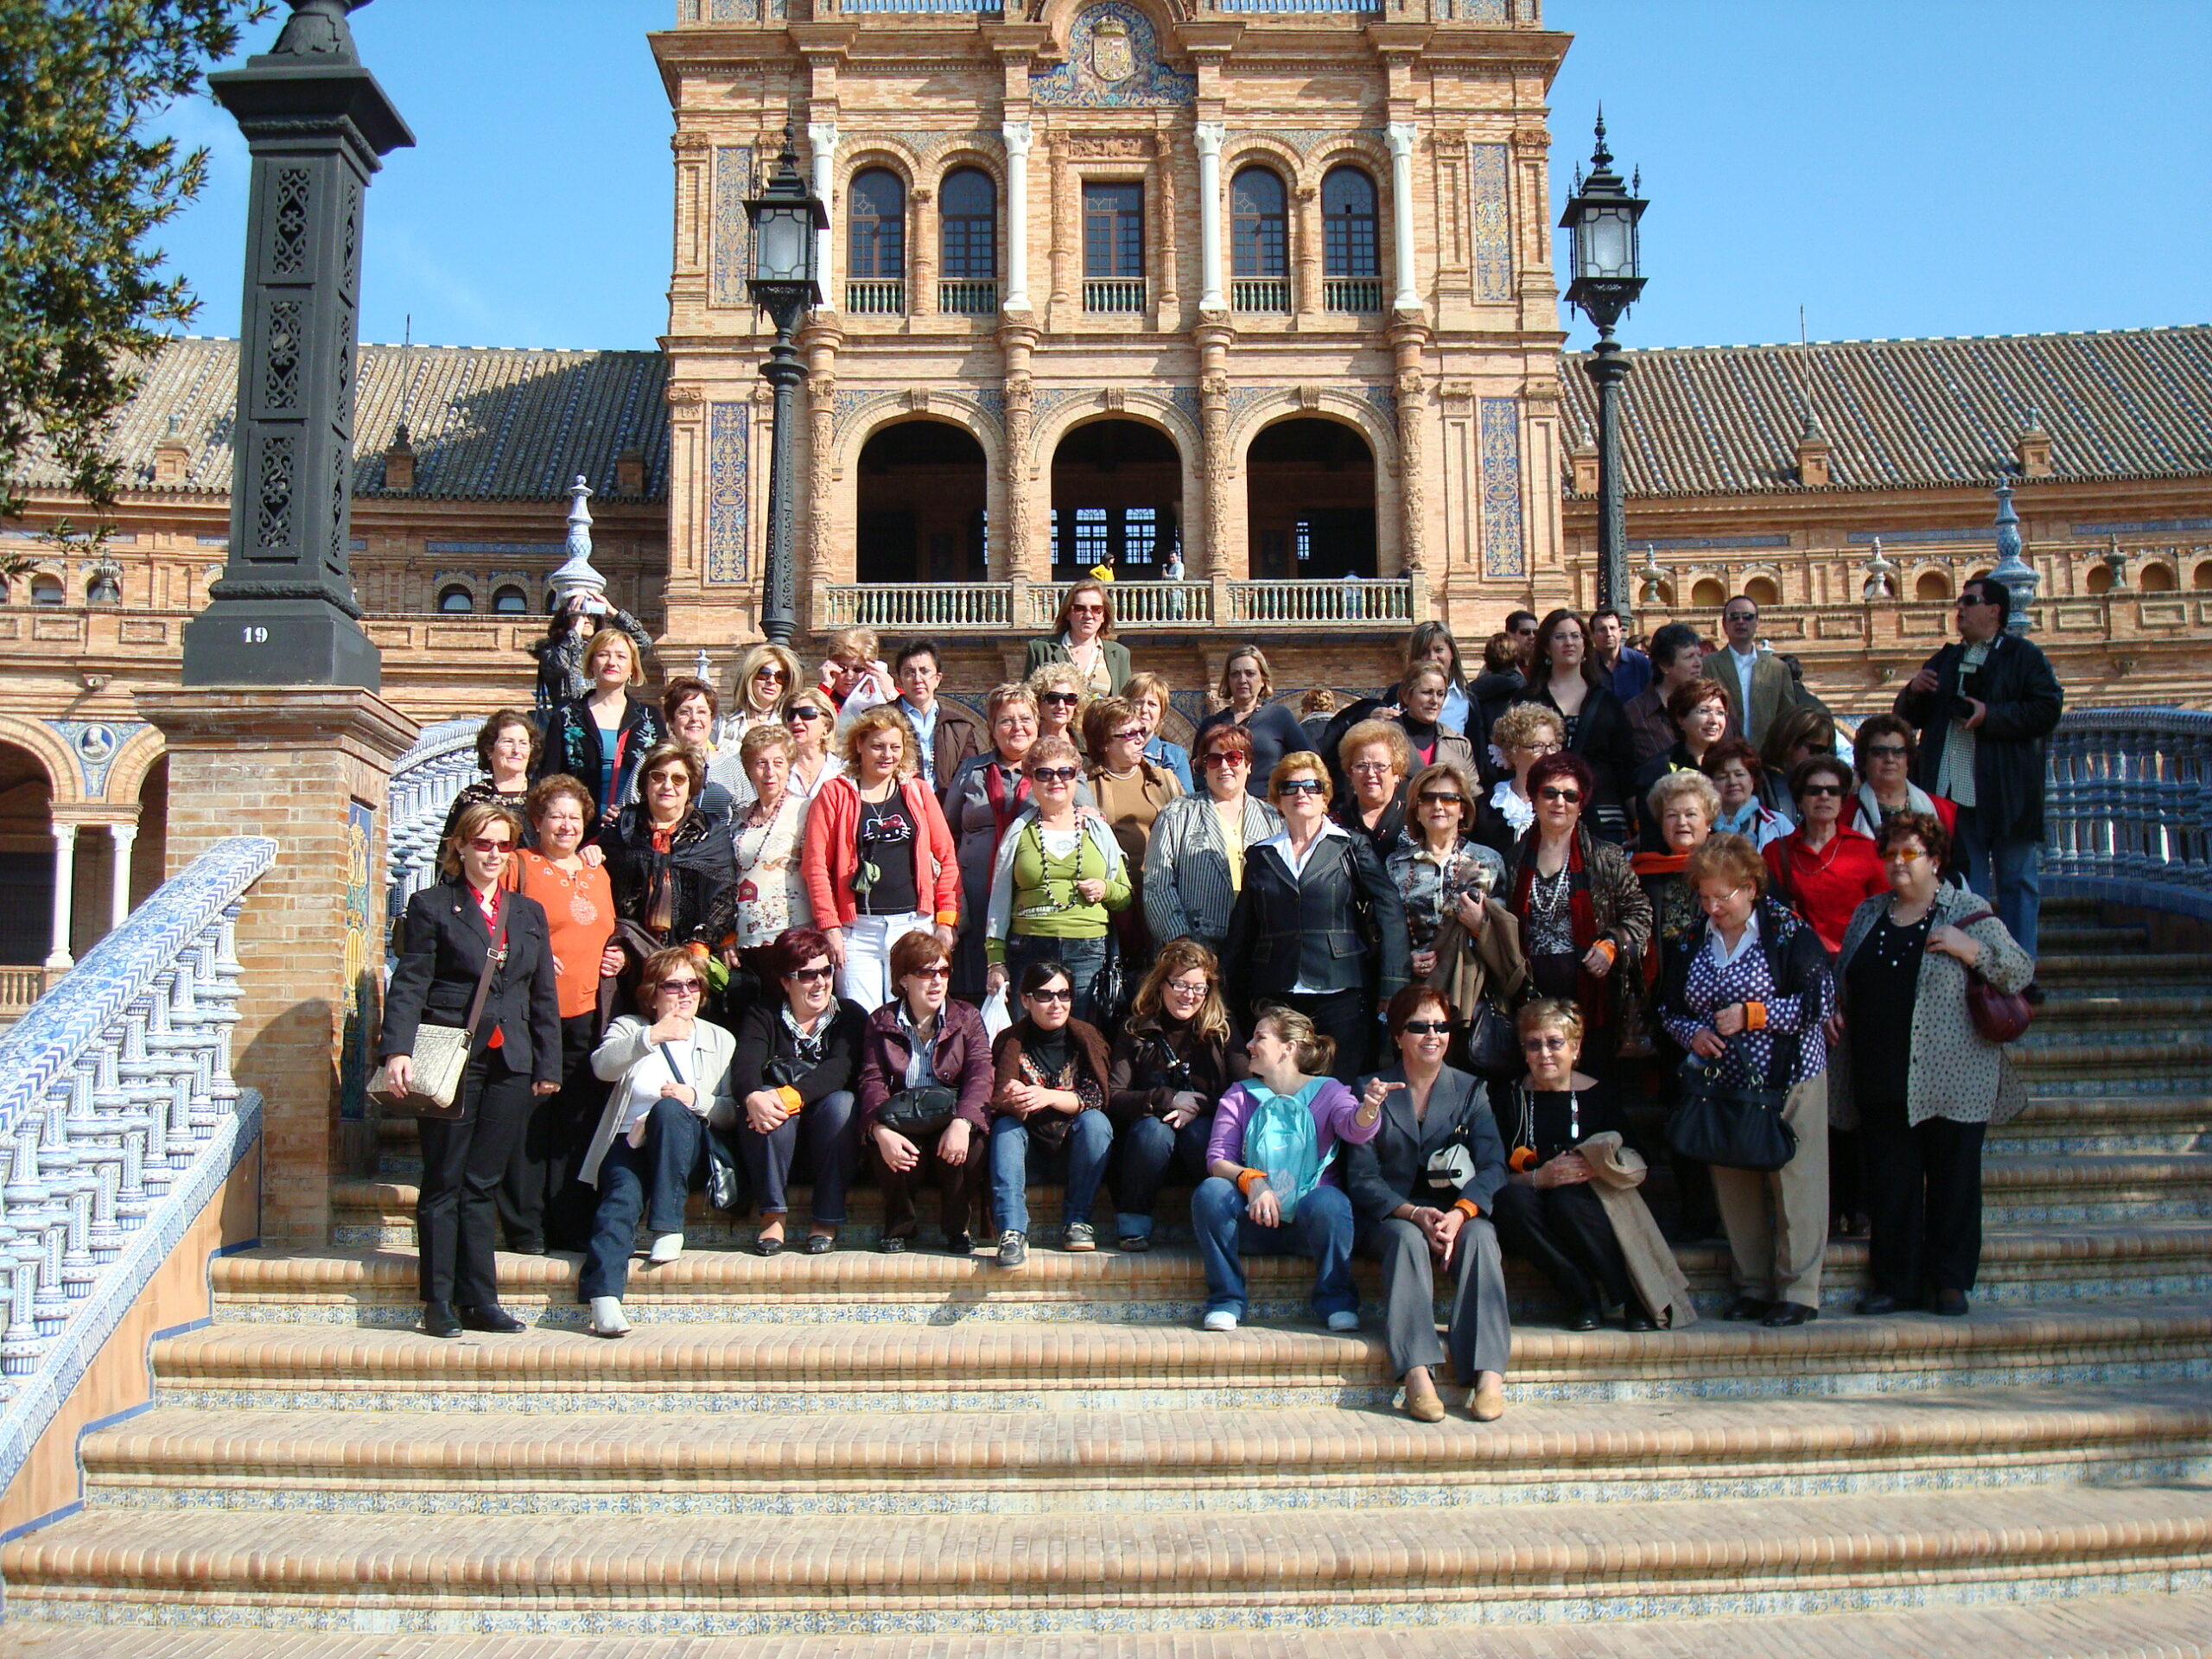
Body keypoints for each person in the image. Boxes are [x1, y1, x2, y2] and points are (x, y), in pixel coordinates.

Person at [1831, 812, 2034, 1318]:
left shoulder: (1967, 909)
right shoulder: (1869, 913)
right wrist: (1834, 1008)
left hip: (1954, 1074)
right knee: (1891, 1184)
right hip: (1880, 1071)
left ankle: (1949, 1281)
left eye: (1910, 854)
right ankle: (1895, 1282)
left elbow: (2019, 971)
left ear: (1936, 860)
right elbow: (1843, 977)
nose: (1898, 863)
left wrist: (1973, 951)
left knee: (1954, 1180)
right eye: (1890, 854)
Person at [376, 802, 561, 1340]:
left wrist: (547, 1062)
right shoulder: (432, 905)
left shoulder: (527, 912)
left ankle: (480, 1299)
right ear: (460, 846)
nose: (493, 854)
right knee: (444, 1181)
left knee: (482, 1183)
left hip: (510, 1060)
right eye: (483, 843)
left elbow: (541, 993)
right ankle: (438, 1300)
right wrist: (396, 1050)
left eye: (504, 845)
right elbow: (412, 982)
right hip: (451, 1058)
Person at [1660, 834, 1836, 1329]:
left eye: (1723, 897)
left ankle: (1798, 1291)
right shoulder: (1693, 938)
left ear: (1751, 888)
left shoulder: (1788, 932)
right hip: (1723, 1086)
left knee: (1797, 1185)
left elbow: (1819, 1003)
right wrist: (1693, 1034)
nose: (1713, 908)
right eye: (1705, 897)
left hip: (1790, 1079)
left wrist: (1753, 1015)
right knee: (1735, 1186)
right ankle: (1753, 1287)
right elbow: (1668, 1008)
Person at [1342, 985, 1511, 1422]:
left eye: (1441, 1026)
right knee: (1407, 1240)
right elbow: (1362, 1177)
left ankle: (1489, 1375)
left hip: (1454, 1209)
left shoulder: (1471, 1090)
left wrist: (1459, 1213)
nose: (1433, 1035)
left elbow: (1494, 1166)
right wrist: (1414, 1213)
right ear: (1398, 1035)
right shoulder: (1369, 1089)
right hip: (1394, 1213)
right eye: (1420, 1026)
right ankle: (1417, 1373)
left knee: (1481, 1237)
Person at [1892, 575, 2063, 963]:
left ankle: (2020, 969)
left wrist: (1990, 715)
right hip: (1952, 795)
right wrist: (1913, 690)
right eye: (1960, 601)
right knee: (1966, 887)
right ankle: (1974, 967)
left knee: (2017, 880)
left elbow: (2047, 708)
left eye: (1970, 601)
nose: (1961, 609)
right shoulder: (1947, 658)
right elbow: (1906, 718)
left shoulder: (2023, 656)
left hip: (2005, 792)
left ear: (1994, 611)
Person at [1492, 998, 1687, 1332]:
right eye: (1534, 1044)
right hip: (1529, 1201)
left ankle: (1629, 1296)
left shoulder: (1597, 1095)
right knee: (1512, 1202)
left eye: (1555, 1043)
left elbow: (1636, 1154)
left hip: (1585, 1204)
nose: (1544, 1053)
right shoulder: (1507, 1098)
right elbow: (1491, 1170)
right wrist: (1540, 1178)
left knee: (1568, 1202)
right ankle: (1580, 1293)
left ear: (1575, 1048)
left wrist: (1599, 1167)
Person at [575, 947, 737, 1337]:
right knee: (619, 1202)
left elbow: (732, 1112)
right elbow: (602, 1067)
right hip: (629, 1141)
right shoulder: (630, 1027)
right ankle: (604, 1299)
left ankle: (667, 1226)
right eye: (673, 985)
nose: (685, 993)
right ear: (652, 993)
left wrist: (695, 1099)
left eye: (693, 984)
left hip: (686, 1149)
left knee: (668, 1109)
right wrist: (652, 1036)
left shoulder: (719, 1039)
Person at [1192, 1004, 1382, 1332]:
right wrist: (1253, 1182)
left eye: (1260, 1037)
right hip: (1253, 1223)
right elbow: (1218, 1158)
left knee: (1330, 1201)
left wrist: (1370, 1108)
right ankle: (1226, 1300)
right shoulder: (1240, 1095)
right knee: (1212, 1192)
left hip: (1309, 1228)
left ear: (1288, 1048)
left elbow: (1355, 1128)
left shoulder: (1328, 1091)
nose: (1249, 1045)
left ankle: (1336, 1299)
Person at [1224, 752, 1410, 1081]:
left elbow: (1389, 909)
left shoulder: (1351, 846)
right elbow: (1244, 928)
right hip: (1277, 992)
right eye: (1289, 787)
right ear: (1277, 798)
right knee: (1281, 1085)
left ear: (1325, 796)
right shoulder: (1261, 855)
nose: (1301, 793)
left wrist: (1392, 983)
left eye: (1311, 786)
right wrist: (1222, 987)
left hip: (1341, 992)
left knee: (1339, 1088)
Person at [499, 775, 622, 1255]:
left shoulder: (597, 871)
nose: (566, 825)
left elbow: (608, 930)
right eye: (556, 816)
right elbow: (496, 924)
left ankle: (569, 1223)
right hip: (533, 1015)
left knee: (577, 1124)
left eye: (574, 817)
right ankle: (525, 1227)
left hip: (588, 1013)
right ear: (537, 821)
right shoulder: (519, 865)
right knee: (531, 1122)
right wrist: (526, 953)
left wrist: (617, 956)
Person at [801, 706, 961, 1013]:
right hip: (858, 931)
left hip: (913, 925)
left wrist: (946, 920)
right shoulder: (834, 793)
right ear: (859, 745)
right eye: (877, 746)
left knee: (916, 1015)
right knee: (863, 1018)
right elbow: (815, 865)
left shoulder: (917, 792)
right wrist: (830, 926)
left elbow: (947, 858)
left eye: (895, 747)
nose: (887, 755)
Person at [1502, 751, 1651, 1075]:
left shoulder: (1606, 857)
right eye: (1550, 793)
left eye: (1570, 796)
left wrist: (1611, 944)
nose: (1560, 802)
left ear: (1581, 804)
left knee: (1593, 1079)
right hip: (1530, 994)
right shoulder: (1513, 860)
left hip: (1592, 994)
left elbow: (1640, 912)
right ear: (1534, 798)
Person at [728, 925, 866, 1255]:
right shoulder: (763, 1014)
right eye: (807, 975)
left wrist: (787, 1097)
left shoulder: (850, 1016)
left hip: (831, 1142)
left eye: (826, 971)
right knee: (761, 1100)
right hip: (776, 1141)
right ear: (785, 981)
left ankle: (826, 1218)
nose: (820, 982)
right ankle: (773, 1215)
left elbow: (838, 1070)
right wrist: (754, 1097)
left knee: (843, 1104)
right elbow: (745, 1065)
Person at [858, 928, 994, 1255]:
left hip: (949, 1113)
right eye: (925, 973)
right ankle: (899, 1225)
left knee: (972, 1144)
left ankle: (958, 1227)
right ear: (903, 979)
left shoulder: (967, 1017)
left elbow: (981, 1074)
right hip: (903, 1117)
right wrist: (879, 1130)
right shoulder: (881, 1020)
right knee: (890, 1148)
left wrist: (963, 1121)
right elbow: (871, 1080)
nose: (936, 982)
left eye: (943, 972)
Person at [1107, 940, 1249, 1250]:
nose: (1189, 995)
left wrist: (1200, 1105)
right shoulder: (1135, 1030)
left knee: (1201, 1132)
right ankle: (1133, 1224)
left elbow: (1245, 1092)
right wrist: (1167, 1099)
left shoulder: (1222, 1030)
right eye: (1181, 985)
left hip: (1202, 1143)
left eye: (1199, 988)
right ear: (1161, 985)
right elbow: (1114, 1096)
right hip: (1147, 1152)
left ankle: (1218, 1220)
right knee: (1152, 1131)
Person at [1631, 770, 1724, 1243]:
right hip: (1671, 1016)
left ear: (1709, 820)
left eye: (1691, 814)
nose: (1682, 823)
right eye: (1672, 816)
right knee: (1682, 1114)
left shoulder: (1730, 871)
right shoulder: (1646, 873)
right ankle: (1697, 1215)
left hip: (1727, 1016)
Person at [946, 683, 1081, 1000]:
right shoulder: (971, 770)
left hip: (1033, 900)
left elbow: (1086, 816)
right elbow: (947, 831)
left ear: (1037, 723)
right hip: (976, 898)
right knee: (976, 987)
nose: (1017, 727)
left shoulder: (1059, 770)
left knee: (1031, 986)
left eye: (1025, 719)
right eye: (1006, 720)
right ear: (992, 728)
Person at [984, 735, 1131, 1024]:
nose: (1056, 780)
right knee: (1029, 1035)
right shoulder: (1019, 831)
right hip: (1029, 946)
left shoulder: (1098, 830)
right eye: (1044, 773)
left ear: (1077, 777)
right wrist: (995, 961)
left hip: (1087, 948)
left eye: (1065, 772)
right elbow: (999, 901)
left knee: (1085, 1034)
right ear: (1031, 780)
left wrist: (1105, 888)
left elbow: (1125, 896)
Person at [988, 958, 1115, 1267]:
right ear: (1025, 1000)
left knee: (1096, 1122)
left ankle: (1078, 1220)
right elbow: (996, 1099)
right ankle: (1012, 1231)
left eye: (1064, 994)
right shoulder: (1009, 1041)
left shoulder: (1087, 1038)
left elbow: (1097, 1097)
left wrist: (1048, 1096)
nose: (1056, 1004)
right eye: (1045, 995)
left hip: (1074, 1152)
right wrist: (1013, 1099)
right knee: (1005, 1128)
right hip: (1027, 1150)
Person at [601, 741, 738, 980]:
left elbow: (724, 894)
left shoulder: (710, 832)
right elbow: (604, 892)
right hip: (629, 957)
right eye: (658, 777)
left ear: (691, 786)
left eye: (678, 779)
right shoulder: (622, 828)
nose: (667, 786)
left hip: (691, 958)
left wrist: (701, 944)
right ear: (645, 783)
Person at [1142, 723, 1282, 956]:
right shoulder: (1177, 813)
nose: (1224, 766)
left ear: (1248, 765)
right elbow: (1157, 883)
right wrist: (1181, 943)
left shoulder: (1272, 819)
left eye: (1234, 757)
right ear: (1204, 768)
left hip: (1258, 948)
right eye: (1214, 760)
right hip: (1196, 950)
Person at [1512, 609, 1637, 842]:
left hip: (1604, 812)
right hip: (1547, 810)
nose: (1569, 642)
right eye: (1560, 637)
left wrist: (1638, 822)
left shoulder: (1606, 701)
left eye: (1575, 636)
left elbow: (1625, 766)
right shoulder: (1528, 699)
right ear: (1547, 647)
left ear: (1584, 645)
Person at [1084, 695, 1182, 967]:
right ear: (1104, 743)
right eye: (1129, 734)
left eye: (1141, 731)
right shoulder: (1086, 786)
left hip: (1161, 893)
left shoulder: (1163, 779)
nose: (1140, 739)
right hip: (1115, 899)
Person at [537, 628, 664, 835]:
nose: (611, 662)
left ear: (632, 668)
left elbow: (662, 774)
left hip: (636, 829)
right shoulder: (566, 717)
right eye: (603, 654)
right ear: (591, 664)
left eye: (621, 656)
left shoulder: (649, 717)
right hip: (578, 829)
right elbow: (549, 781)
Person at [1389, 761, 1506, 988]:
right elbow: (1387, 931)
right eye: (1427, 799)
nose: (1438, 806)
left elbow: (1506, 931)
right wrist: (1407, 959)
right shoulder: (1396, 865)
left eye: (1449, 799)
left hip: (1473, 987)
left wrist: (1480, 925)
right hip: (1416, 990)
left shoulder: (1488, 861)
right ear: (1416, 810)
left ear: (1462, 809)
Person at [1765, 754, 1886, 957]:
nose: (1824, 796)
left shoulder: (1868, 851)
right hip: (1800, 961)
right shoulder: (1775, 853)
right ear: (1799, 800)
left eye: (1833, 791)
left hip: (1855, 961)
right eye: (1814, 791)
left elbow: (1883, 914)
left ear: (1842, 801)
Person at [727, 724, 812, 955]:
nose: (770, 772)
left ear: (789, 766)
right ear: (749, 769)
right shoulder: (737, 817)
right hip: (746, 937)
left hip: (794, 936)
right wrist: (726, 935)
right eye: (761, 763)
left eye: (778, 762)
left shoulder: (806, 810)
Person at [1193, 645, 1306, 798]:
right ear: (1228, 681)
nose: (1242, 680)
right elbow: (1198, 770)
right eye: (1235, 674)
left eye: (1250, 673)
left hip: (1270, 805)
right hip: (1221, 805)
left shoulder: (1280, 717)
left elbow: (1306, 763)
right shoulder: (1212, 724)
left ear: (1263, 680)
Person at [1628, 676, 1732, 838]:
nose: (1713, 720)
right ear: (1681, 719)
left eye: (1720, 713)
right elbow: (1652, 832)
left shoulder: (1733, 764)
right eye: (1704, 711)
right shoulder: (1659, 769)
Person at [889, 638, 985, 798]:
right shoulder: (882, 720)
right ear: (900, 680)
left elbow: (970, 777)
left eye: (924, 671)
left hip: (944, 808)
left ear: (937, 679)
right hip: (898, 805)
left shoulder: (959, 727)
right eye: (909, 673)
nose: (918, 679)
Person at [1701, 595, 1798, 747]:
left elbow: (1787, 717)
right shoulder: (1708, 665)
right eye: (1734, 617)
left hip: (1765, 755)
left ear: (1757, 623)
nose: (1741, 621)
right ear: (1724, 624)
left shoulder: (1778, 669)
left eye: (1747, 617)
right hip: (1721, 752)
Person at [709, 641, 803, 798]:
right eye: (764, 674)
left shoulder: (790, 725)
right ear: (750, 676)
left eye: (780, 677)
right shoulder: (722, 725)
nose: (771, 681)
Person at [1471, 702, 1563, 861]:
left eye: (1553, 745)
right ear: (1513, 752)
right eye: (1538, 746)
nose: (1549, 753)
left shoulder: (1569, 799)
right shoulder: (1486, 806)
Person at [1847, 712, 1959, 841]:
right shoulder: (1845, 813)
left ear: (1908, 759)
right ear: (1863, 759)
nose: (1889, 759)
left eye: (1898, 752)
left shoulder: (1946, 812)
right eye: (1879, 752)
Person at [529, 594, 652, 713]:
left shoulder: (601, 650)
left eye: (591, 616)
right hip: (568, 717)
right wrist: (575, 630)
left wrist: (612, 612)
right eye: (580, 616)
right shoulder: (551, 650)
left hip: (602, 713)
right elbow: (561, 665)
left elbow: (643, 642)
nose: (586, 621)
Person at [440, 710, 538, 849]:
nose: (517, 750)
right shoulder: (472, 798)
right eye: (508, 742)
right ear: (489, 749)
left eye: (523, 743)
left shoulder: (543, 795)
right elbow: (449, 852)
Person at [1024, 578, 1132, 696]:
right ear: (1067, 613)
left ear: (1104, 616)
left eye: (1096, 609)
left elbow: (1125, 701)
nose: (1088, 615)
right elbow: (1028, 699)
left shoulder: (1119, 654)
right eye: (1079, 609)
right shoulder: (1041, 649)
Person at [1624, 621, 1707, 766]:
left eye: (1699, 656)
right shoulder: (1634, 713)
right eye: (1689, 657)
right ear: (1664, 665)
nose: (1698, 663)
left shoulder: (1715, 705)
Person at [661, 676, 735, 826]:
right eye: (685, 712)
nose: (694, 718)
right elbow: (628, 810)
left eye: (702, 712)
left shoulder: (731, 768)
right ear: (671, 720)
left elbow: (749, 816)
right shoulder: (653, 763)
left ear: (712, 719)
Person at [1332, 718, 1411, 860]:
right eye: (1361, 765)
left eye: (1379, 766)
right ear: (1350, 773)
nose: (1370, 773)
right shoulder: (1332, 826)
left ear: (1397, 773)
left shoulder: (1415, 821)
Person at [1383, 621, 1471, 739]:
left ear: (1452, 653)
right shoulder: (1397, 694)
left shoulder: (1466, 701)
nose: (1432, 658)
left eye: (1439, 650)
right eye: (1424, 652)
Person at [1470, 611, 1539, 750]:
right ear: (1510, 635)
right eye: (1525, 632)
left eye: (1535, 632)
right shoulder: (1492, 670)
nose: (1532, 637)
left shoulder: (1542, 666)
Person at [1757, 705, 1839, 822]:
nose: (1818, 757)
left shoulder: (1822, 786)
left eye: (1824, 751)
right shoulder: (1757, 784)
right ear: (1790, 742)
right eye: (1814, 749)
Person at [1703, 738, 1788, 849]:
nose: (1732, 782)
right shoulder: (1701, 823)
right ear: (1710, 782)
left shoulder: (1778, 824)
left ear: (1752, 779)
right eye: (1723, 777)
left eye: (1739, 774)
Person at [1123, 671, 1193, 792]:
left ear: (1161, 715)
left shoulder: (1175, 756)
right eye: (1138, 702)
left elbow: (1186, 800)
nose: (1144, 709)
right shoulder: (1111, 750)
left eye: (1152, 704)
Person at [781, 687, 843, 804]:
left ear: (827, 725)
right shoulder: (777, 768)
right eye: (791, 715)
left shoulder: (843, 770)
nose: (796, 721)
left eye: (807, 714)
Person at [817, 626, 897, 715]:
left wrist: (890, 694)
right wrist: (825, 687)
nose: (849, 676)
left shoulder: (887, 696)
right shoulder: (825, 698)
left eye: (858, 669)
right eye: (843, 668)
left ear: (872, 668)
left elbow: (907, 721)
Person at [1027, 661, 1090, 758]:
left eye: (1069, 699)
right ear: (1038, 701)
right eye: (1053, 698)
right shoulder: (1026, 742)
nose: (1061, 706)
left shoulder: (1089, 744)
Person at [1591, 607, 1651, 704]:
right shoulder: (1586, 665)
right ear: (1593, 635)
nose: (1609, 634)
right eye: (1602, 630)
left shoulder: (1640, 663)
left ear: (1620, 631)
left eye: (1612, 628)